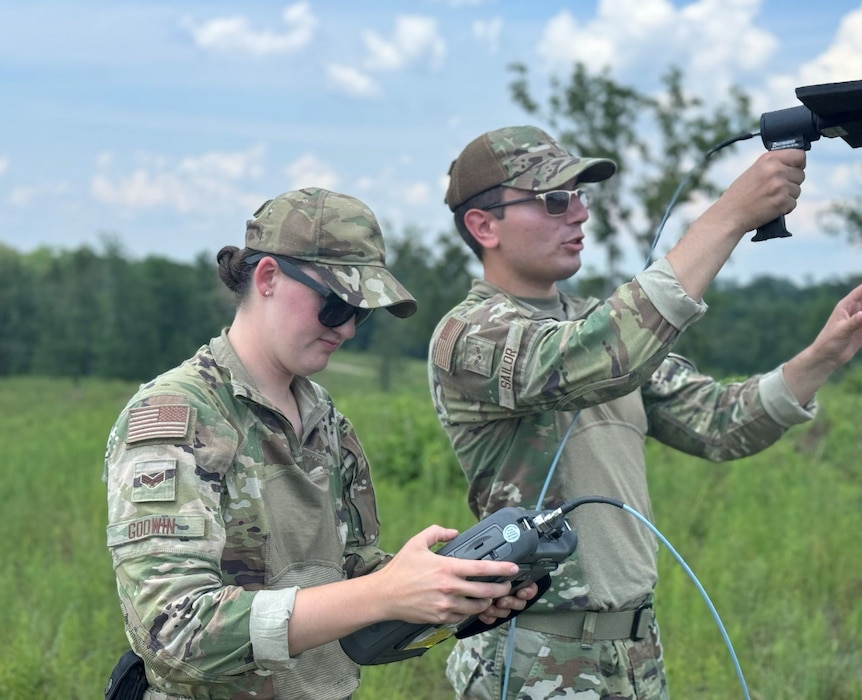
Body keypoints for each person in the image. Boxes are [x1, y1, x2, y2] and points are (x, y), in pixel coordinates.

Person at [427, 125, 862, 699]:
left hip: (634, 651)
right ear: (484, 225)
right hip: (532, 657)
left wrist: (820, 357)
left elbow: (720, 422)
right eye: (555, 200)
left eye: (581, 196)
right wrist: (727, 217)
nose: (578, 214)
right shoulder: (469, 335)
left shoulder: (597, 324)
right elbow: (602, 356)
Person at [103, 187, 539, 700]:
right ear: (267, 277)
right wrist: (383, 592)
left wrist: (446, 590)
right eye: (335, 306)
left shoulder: (326, 420)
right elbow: (175, 632)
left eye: (363, 313)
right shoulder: (177, 417)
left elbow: (349, 582)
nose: (349, 329)